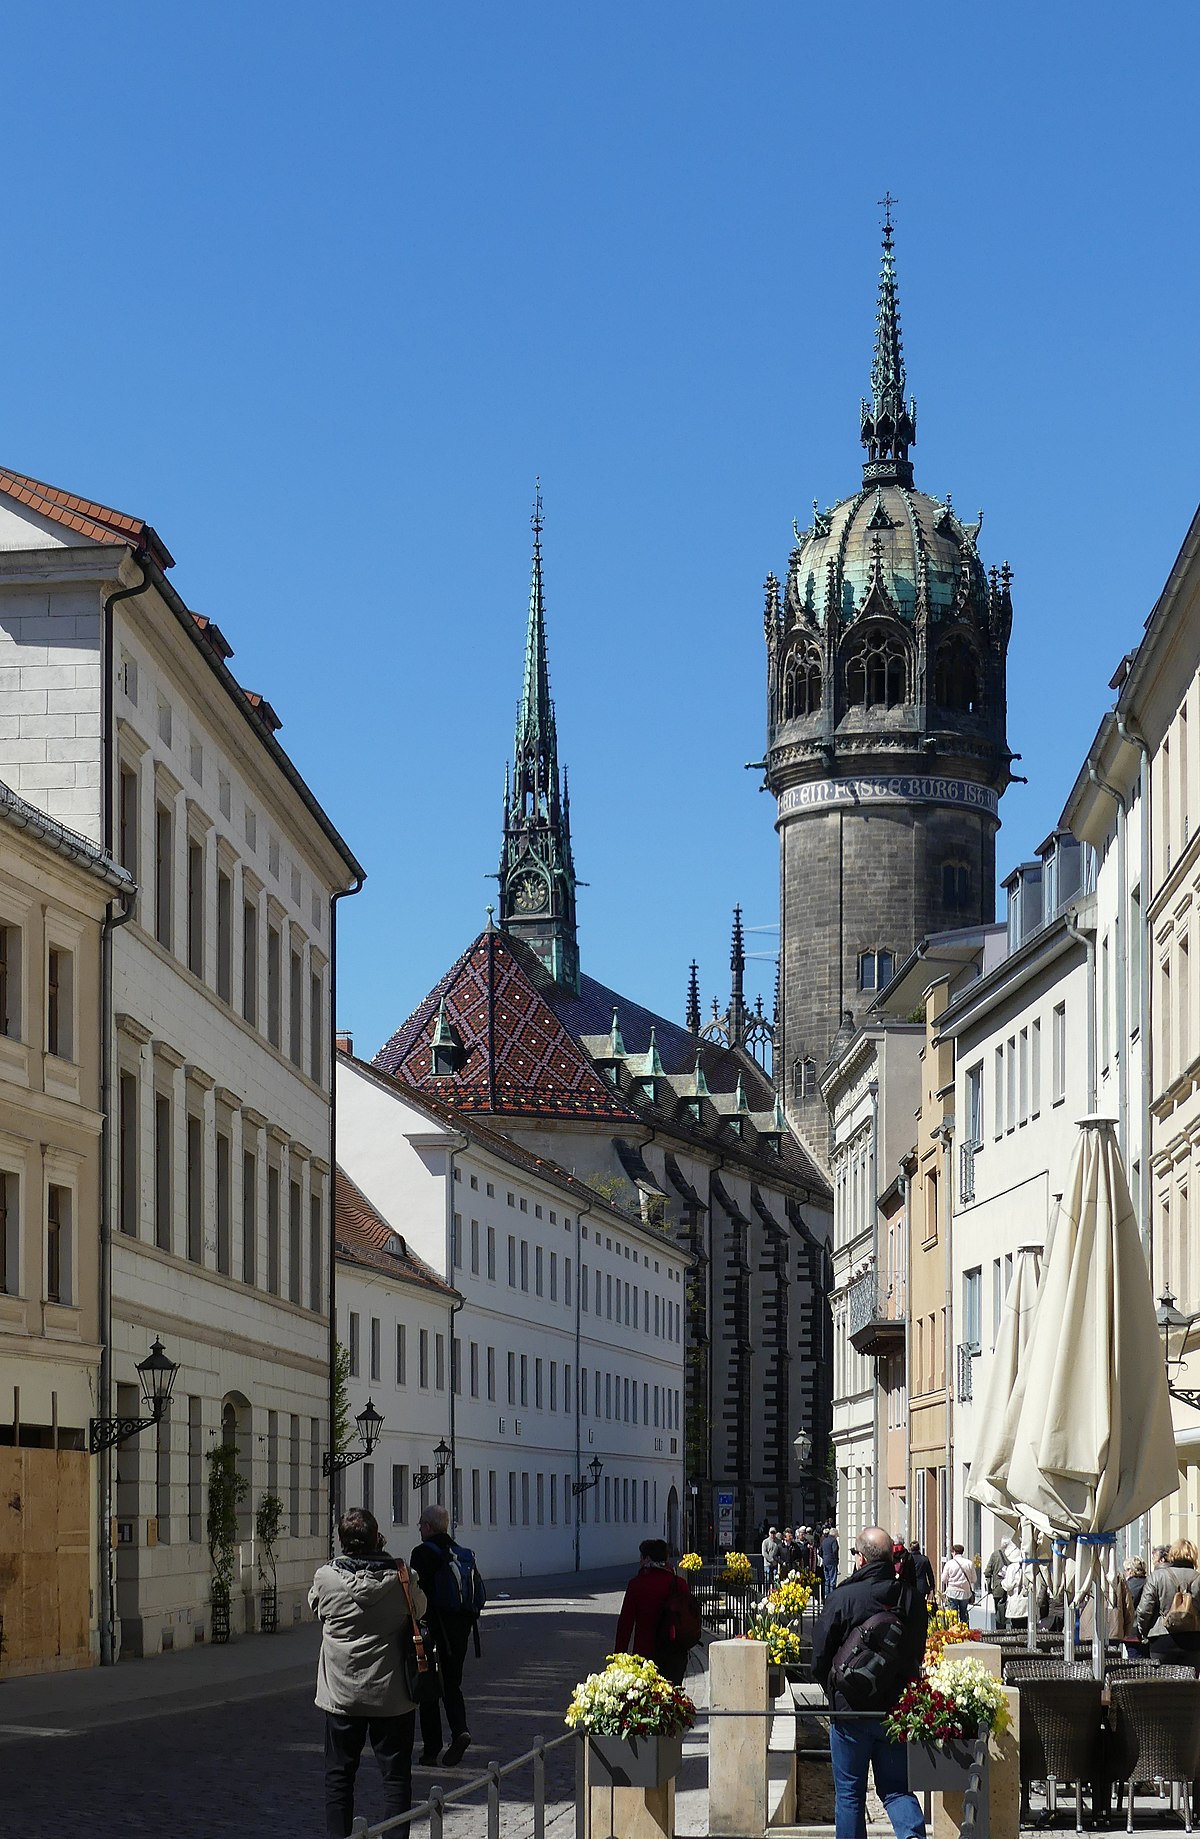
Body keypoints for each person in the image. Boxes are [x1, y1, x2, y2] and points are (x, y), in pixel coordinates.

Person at [310, 1506, 426, 1839]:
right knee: (396, 1780)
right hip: (392, 1696)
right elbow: (421, 1608)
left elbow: (316, 1607)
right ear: (377, 1537)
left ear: (343, 1542)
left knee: (339, 1778)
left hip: (341, 1696)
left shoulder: (327, 1577)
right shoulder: (403, 1576)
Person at [813, 1526, 929, 1839]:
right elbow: (917, 1652)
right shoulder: (911, 1599)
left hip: (850, 1712)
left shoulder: (843, 1597)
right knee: (896, 1790)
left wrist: (835, 1690)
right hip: (895, 1710)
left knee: (850, 1795)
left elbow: (819, 1657)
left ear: (861, 1558)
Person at [409, 1502, 480, 1769]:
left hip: (433, 1629)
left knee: (428, 1687)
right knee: (452, 1684)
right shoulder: (460, 1552)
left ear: (427, 1526)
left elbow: (418, 1595)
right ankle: (460, 1730)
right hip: (461, 1630)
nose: (419, 1530)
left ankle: (431, 1749)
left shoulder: (422, 1554)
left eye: (420, 1525)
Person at [614, 1537, 696, 1686]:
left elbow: (625, 1624)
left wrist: (619, 1657)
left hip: (645, 1654)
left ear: (647, 1559)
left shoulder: (636, 1585)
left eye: (641, 1557)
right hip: (674, 1654)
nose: (639, 1561)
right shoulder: (679, 1584)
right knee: (673, 1698)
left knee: (648, 1701)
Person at [1134, 1536, 1200, 1670]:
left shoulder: (1157, 1577)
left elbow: (1144, 1610)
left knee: (1162, 1687)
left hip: (1161, 1639)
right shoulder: (1198, 1578)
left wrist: (1144, 1632)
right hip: (1193, 1640)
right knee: (1190, 1687)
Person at [939, 1544, 976, 1624]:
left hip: (952, 1591)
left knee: (953, 1614)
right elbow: (974, 1579)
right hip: (965, 1592)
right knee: (964, 1613)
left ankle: (954, 1632)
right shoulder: (969, 1563)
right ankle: (965, 1630)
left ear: (954, 1552)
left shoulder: (949, 1564)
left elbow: (943, 1579)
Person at [984, 1541, 1011, 1631]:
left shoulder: (995, 1555)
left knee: (999, 1611)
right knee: (1010, 1610)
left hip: (998, 1588)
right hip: (1011, 1589)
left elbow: (988, 1571)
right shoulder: (1014, 1555)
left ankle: (1000, 1631)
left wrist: (988, 1586)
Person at [820, 1525, 840, 1598]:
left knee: (827, 1579)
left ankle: (826, 1595)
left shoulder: (824, 1540)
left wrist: (824, 1557)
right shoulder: (833, 1540)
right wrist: (836, 1559)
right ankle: (832, 1595)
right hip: (832, 1561)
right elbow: (835, 1550)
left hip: (825, 1561)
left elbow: (820, 1551)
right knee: (832, 1579)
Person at [761, 1525, 783, 1589]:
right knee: (767, 1579)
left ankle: (775, 1592)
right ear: (769, 1533)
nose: (772, 1534)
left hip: (775, 1564)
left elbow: (780, 1552)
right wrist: (771, 1560)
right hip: (767, 1564)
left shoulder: (779, 1542)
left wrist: (777, 1561)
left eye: (774, 1533)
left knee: (776, 1579)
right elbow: (764, 1553)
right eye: (771, 1533)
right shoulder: (765, 1542)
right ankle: (766, 1592)